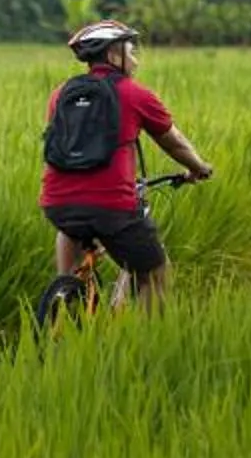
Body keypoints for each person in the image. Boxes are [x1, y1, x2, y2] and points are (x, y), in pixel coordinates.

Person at [39, 19, 213, 307]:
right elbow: (174, 143)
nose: (136, 61)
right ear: (113, 55)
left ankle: (64, 289)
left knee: (71, 227)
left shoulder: (61, 94)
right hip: (112, 206)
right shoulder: (134, 94)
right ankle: (145, 334)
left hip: (57, 202)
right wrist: (198, 167)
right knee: (154, 273)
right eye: (131, 53)